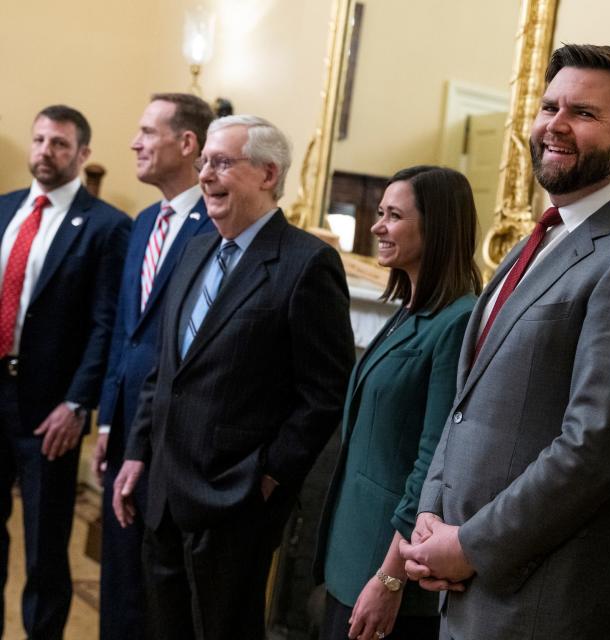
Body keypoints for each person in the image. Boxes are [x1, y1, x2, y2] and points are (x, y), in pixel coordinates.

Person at [399, 44, 610, 639]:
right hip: (466, 589)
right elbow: (465, 410)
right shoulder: (537, 240)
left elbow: (592, 449)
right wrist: (431, 518)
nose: (555, 125)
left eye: (583, 113)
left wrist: (471, 545)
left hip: (545, 605)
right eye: (548, 106)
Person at [112, 114, 355, 639]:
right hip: (164, 494)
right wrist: (137, 452)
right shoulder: (197, 248)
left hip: (234, 502)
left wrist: (267, 475)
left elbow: (324, 394)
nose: (204, 176)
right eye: (203, 164)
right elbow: (166, 368)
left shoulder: (307, 264)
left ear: (268, 174)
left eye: (221, 163)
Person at [314, 165, 482, 640]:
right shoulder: (411, 307)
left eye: (392, 215)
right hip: (352, 547)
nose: (376, 226)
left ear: (436, 228)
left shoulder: (457, 321)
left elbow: (434, 462)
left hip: (388, 562)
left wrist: (390, 579)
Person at [0, 105, 130, 638]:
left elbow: (106, 327)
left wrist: (78, 404)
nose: (44, 152)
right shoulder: (5, 208)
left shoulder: (106, 227)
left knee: (44, 549)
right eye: (39, 140)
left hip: (49, 410)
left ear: (82, 154)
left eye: (58, 143)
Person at [93, 92, 215, 640]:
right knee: (116, 576)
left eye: (148, 131)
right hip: (123, 424)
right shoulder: (143, 222)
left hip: (173, 437)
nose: (134, 143)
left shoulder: (216, 229)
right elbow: (126, 329)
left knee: (160, 592)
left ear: (187, 143)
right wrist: (104, 417)